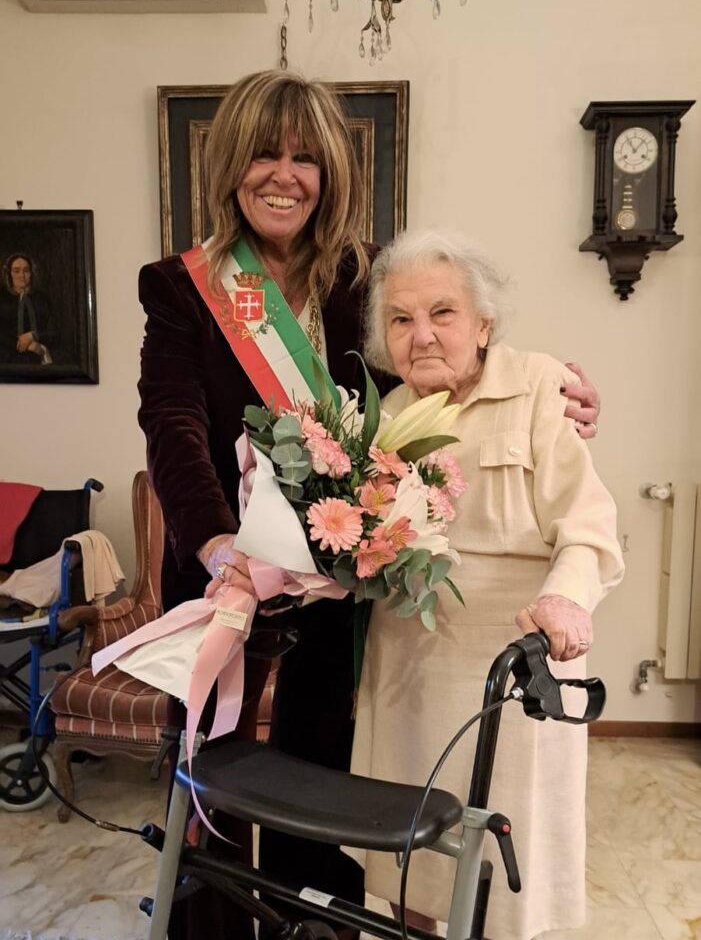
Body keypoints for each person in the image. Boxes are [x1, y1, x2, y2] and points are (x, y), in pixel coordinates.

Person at [136, 70, 602, 940]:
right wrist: (216, 547)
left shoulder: (364, 277)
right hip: (225, 579)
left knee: (326, 776)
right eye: (264, 154)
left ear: (330, 174)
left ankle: (311, 926)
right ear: (230, 164)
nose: (284, 176)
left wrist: (557, 393)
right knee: (209, 782)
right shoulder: (184, 285)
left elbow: (442, 366)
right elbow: (171, 426)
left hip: (340, 585)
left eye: (305, 158)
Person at [353, 227, 625, 940]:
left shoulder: (539, 387)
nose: (421, 335)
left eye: (442, 313)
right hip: (406, 668)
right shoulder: (384, 418)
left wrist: (566, 598)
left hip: (514, 660)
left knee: (507, 856)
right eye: (400, 319)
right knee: (407, 846)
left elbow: (588, 524)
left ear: (482, 323)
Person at [0, 253, 55, 365]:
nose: (22, 275)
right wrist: (28, 345)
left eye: (26, 271)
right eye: (16, 271)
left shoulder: (42, 299)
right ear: (9, 274)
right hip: (6, 359)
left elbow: (55, 332)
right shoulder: (2, 298)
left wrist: (33, 336)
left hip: (38, 358)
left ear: (31, 273)